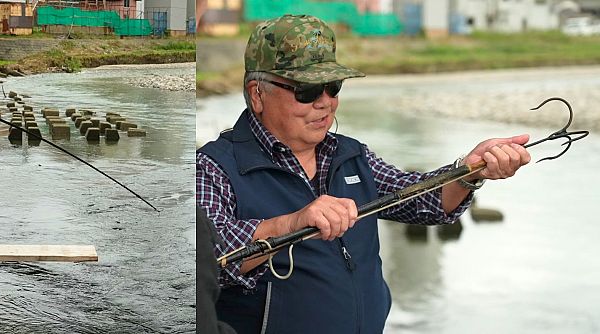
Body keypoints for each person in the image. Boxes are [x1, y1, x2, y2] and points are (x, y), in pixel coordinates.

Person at [196, 15, 531, 333]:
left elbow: (421, 199)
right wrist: (292, 223)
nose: (324, 102)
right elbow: (209, 260)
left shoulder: (351, 155)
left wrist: (469, 170)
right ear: (258, 93)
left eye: (333, 86)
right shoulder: (212, 166)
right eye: (307, 91)